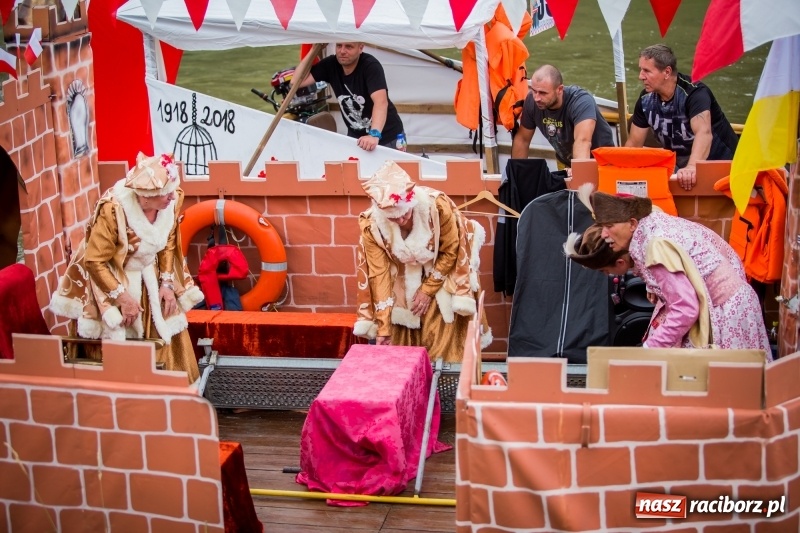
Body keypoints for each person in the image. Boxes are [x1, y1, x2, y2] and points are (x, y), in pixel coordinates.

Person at [564, 185, 771, 358]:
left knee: (729, 389)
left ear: (633, 224)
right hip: (733, 301)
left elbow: (686, 309)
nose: (605, 233)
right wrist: (653, 281)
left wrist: (650, 351)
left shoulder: (657, 246)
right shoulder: (652, 221)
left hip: (726, 311)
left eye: (609, 225)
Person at [50, 153, 205, 382]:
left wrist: (167, 282)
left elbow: (168, 240)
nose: (173, 197)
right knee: (114, 343)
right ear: (145, 198)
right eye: (165, 194)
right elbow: (95, 261)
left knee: (168, 323)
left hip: (148, 273)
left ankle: (175, 397)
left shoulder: (172, 198)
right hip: (109, 276)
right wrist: (122, 298)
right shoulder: (113, 210)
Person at [353, 161, 491, 362]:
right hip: (402, 278)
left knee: (444, 345)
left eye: (405, 215)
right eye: (394, 219)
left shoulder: (437, 207)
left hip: (446, 270)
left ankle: (448, 388)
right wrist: (383, 326)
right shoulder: (371, 226)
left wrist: (427, 290)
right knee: (401, 346)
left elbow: (451, 251)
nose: (401, 221)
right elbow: (379, 274)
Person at [626, 44, 739, 191]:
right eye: (641, 70)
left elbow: (703, 133)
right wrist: (620, 167)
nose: (640, 76)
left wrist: (692, 167)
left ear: (667, 72)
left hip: (721, 165)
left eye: (646, 71)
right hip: (681, 167)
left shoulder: (695, 93)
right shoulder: (645, 99)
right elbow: (634, 143)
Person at [296, 43, 406, 152]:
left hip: (387, 137)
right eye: (339, 46)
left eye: (349, 47)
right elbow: (296, 82)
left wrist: (374, 135)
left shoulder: (370, 65)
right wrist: (313, 51)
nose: (342, 51)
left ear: (360, 48)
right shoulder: (331, 64)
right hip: (356, 138)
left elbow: (381, 102)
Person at [511, 64, 615, 173]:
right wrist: (516, 176)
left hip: (601, 163)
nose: (537, 98)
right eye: (534, 91)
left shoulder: (581, 101)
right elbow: (522, 140)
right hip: (566, 161)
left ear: (559, 89)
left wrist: (579, 174)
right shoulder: (532, 102)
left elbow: (583, 141)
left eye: (543, 93)